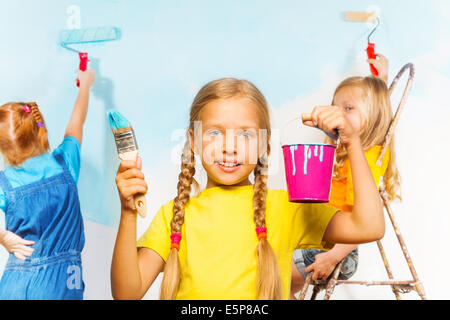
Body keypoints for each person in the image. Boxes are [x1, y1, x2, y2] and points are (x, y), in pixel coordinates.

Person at [111, 77, 385, 300]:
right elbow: (126, 294)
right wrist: (128, 212)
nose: (230, 146)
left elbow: (369, 227)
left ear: (265, 144)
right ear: (193, 141)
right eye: (214, 133)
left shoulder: (286, 208)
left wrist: (352, 144)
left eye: (245, 134)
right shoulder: (173, 215)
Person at [290, 54, 401, 299]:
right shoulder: (350, 151)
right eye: (335, 107)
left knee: (269, 269)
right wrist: (379, 80)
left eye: (348, 108)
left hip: (337, 252)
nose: (338, 113)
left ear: (374, 115)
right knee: (277, 280)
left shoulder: (364, 159)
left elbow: (362, 221)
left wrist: (332, 257)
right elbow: (371, 108)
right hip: (324, 242)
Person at [0, 69, 96, 299]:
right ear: (38, 127)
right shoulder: (66, 161)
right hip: (60, 282)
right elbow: (76, 122)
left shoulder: (5, 183)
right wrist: (84, 86)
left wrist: (3, 237)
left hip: (15, 281)